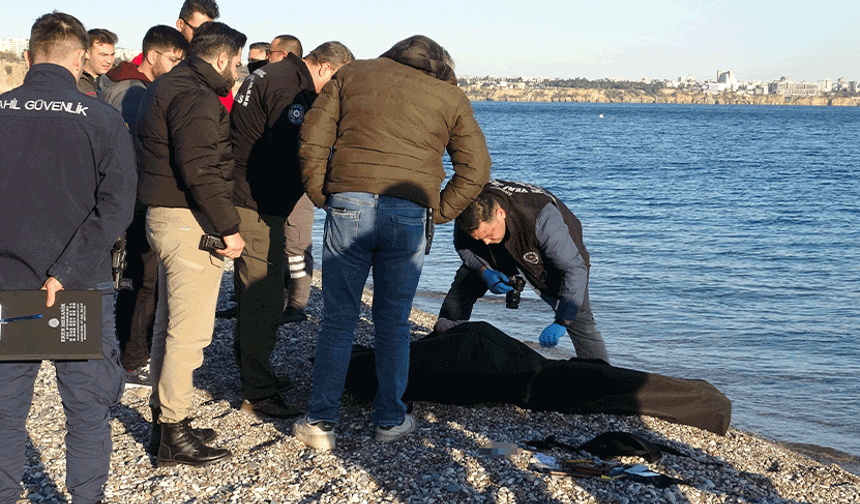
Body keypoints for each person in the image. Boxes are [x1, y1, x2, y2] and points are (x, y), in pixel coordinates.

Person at [293, 35, 491, 451]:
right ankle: (389, 418)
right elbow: (476, 168)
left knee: (338, 319)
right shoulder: (448, 96)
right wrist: (439, 211)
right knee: (394, 323)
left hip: (349, 202)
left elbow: (312, 138)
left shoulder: (351, 74)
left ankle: (320, 421)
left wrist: (322, 193)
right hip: (410, 211)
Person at [0, 11, 136, 504]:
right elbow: (117, 207)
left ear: (28, 55)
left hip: (11, 284)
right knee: (85, 408)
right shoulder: (101, 117)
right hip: (76, 286)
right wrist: (66, 270)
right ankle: (85, 497)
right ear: (81, 59)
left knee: (6, 410)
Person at [136, 20, 246, 467]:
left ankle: (167, 419)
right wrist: (229, 226)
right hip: (188, 222)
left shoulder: (168, 86)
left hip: (164, 216)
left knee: (169, 325)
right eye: (236, 63)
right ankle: (173, 433)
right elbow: (202, 169)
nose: (238, 71)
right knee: (189, 332)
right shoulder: (197, 98)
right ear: (221, 58)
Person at [230, 41, 354, 419]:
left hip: (246, 193)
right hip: (257, 201)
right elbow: (289, 149)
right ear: (327, 69)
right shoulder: (292, 89)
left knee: (251, 293)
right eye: (337, 81)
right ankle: (258, 390)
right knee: (263, 296)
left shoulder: (271, 74)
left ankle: (256, 374)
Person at [98, 25, 189, 388]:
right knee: (141, 281)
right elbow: (131, 151)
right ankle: (132, 360)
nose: (176, 66)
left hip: (127, 197)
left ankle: (129, 354)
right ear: (152, 56)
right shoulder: (134, 93)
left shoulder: (126, 85)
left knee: (134, 279)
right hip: (133, 199)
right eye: (173, 59)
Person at [436, 179, 610, 363]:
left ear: (500, 213)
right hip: (506, 243)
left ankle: (602, 374)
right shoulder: (469, 212)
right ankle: (445, 342)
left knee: (578, 317)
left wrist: (562, 321)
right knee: (466, 279)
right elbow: (464, 247)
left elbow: (574, 270)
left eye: (488, 234)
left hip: (548, 252)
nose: (485, 242)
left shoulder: (543, 220)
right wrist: (484, 271)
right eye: (479, 238)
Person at [77, 28, 117, 95]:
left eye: (112, 55)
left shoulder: (114, 81)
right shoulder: (73, 82)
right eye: (103, 55)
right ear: (87, 54)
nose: (109, 61)